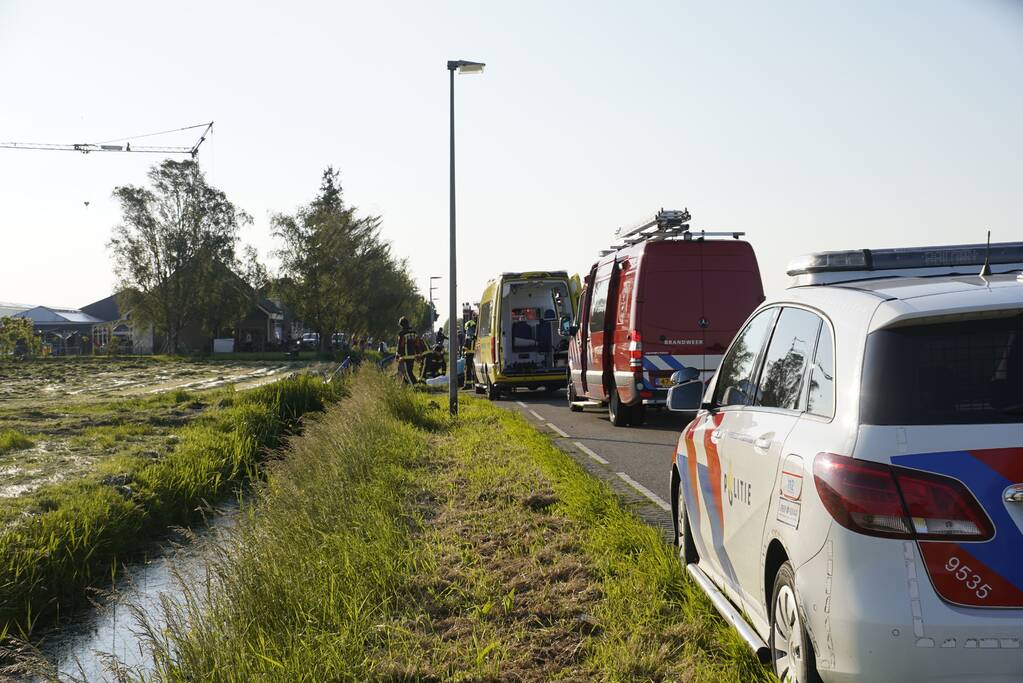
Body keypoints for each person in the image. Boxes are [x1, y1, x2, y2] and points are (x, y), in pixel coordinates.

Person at [396, 317, 424, 384]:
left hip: (404, 357)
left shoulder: (402, 334)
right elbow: (417, 344)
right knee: (408, 371)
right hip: (412, 356)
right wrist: (418, 354)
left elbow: (401, 345)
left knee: (407, 373)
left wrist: (398, 355)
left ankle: (415, 387)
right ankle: (405, 386)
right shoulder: (414, 333)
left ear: (401, 325)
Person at [462, 318, 478, 388]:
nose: (467, 331)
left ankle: (467, 385)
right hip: (475, 356)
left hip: (469, 356)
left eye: (468, 330)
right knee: (473, 370)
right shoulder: (476, 338)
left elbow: (465, 348)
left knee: (468, 370)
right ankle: (473, 384)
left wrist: (463, 350)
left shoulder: (468, 339)